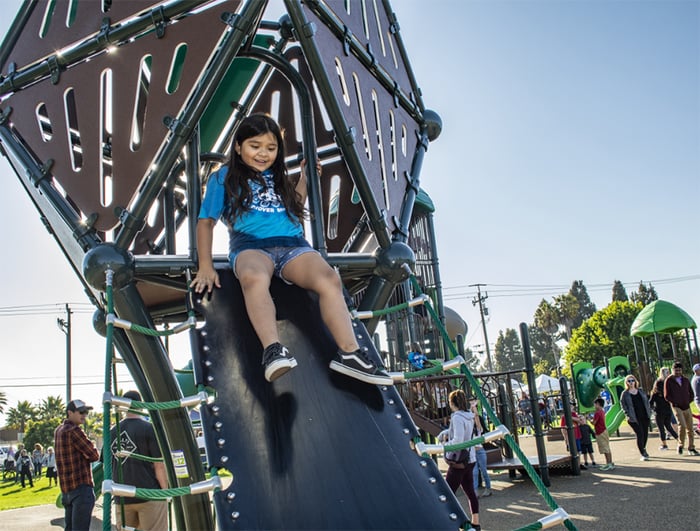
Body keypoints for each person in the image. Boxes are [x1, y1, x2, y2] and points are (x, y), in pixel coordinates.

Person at [192, 113, 392, 387]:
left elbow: (294, 205)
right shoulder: (223, 178)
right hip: (250, 244)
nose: (263, 154)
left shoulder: (277, 178)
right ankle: (273, 349)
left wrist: (306, 178)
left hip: (293, 245)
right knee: (254, 277)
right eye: (255, 146)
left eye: (271, 148)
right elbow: (206, 222)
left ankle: (350, 354)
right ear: (238, 146)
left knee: (329, 278)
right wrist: (205, 265)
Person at [110, 390, 168, 531]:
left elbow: (107, 464)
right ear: (140, 405)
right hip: (149, 494)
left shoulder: (112, 432)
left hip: (122, 495)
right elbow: (159, 465)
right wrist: (166, 491)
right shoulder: (149, 429)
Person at [438, 390, 480, 531]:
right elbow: (465, 434)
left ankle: (448, 523)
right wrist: (445, 433)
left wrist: (444, 445)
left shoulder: (457, 417)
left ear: (452, 403)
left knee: (447, 493)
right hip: (470, 458)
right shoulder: (469, 416)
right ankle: (476, 522)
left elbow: (458, 440)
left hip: (459, 461)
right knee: (470, 491)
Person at [55, 399, 100, 530]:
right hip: (81, 488)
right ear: (70, 413)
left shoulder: (59, 430)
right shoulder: (74, 431)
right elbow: (94, 455)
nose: (84, 415)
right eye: (81, 412)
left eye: (85, 412)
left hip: (66, 489)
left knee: (70, 527)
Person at [664, 361, 698, 455]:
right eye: (676, 370)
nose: (678, 372)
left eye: (679, 370)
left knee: (690, 427)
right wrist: (674, 402)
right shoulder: (669, 380)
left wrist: (688, 400)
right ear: (673, 370)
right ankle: (680, 444)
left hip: (686, 405)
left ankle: (691, 447)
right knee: (682, 425)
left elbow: (691, 392)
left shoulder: (685, 380)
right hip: (676, 406)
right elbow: (667, 395)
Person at [620, 375, 652, 460]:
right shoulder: (625, 393)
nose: (631, 382)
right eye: (629, 381)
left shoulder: (640, 391)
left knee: (645, 433)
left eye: (632, 380)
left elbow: (646, 402)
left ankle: (643, 448)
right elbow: (623, 405)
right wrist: (628, 414)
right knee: (640, 433)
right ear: (626, 383)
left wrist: (649, 411)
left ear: (635, 381)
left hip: (644, 415)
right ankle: (643, 453)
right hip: (633, 417)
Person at [648, 367, 678, 450]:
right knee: (668, 426)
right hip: (667, 409)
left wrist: (652, 409)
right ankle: (679, 441)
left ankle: (664, 444)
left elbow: (651, 400)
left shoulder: (659, 386)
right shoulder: (669, 383)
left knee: (662, 428)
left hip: (660, 410)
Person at [471, 402, 492, 498]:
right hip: (472, 452)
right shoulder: (468, 431)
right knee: (474, 472)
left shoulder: (479, 430)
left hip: (480, 451)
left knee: (484, 471)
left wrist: (474, 408)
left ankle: (488, 488)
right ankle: (475, 491)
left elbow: (477, 419)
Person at [592, 398, 614, 470]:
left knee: (605, 448)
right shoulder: (602, 411)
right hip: (604, 431)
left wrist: (588, 419)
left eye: (595, 404)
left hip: (600, 431)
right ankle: (610, 462)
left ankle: (608, 463)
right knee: (607, 447)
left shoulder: (597, 413)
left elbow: (594, 423)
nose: (594, 406)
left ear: (598, 404)